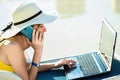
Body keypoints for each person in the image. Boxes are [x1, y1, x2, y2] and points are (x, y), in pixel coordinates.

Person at [0, 2, 76, 80]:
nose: (45, 30)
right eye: (41, 26)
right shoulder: (12, 47)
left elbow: (27, 68)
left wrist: (56, 64)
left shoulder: (13, 41)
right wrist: (38, 51)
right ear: (27, 30)